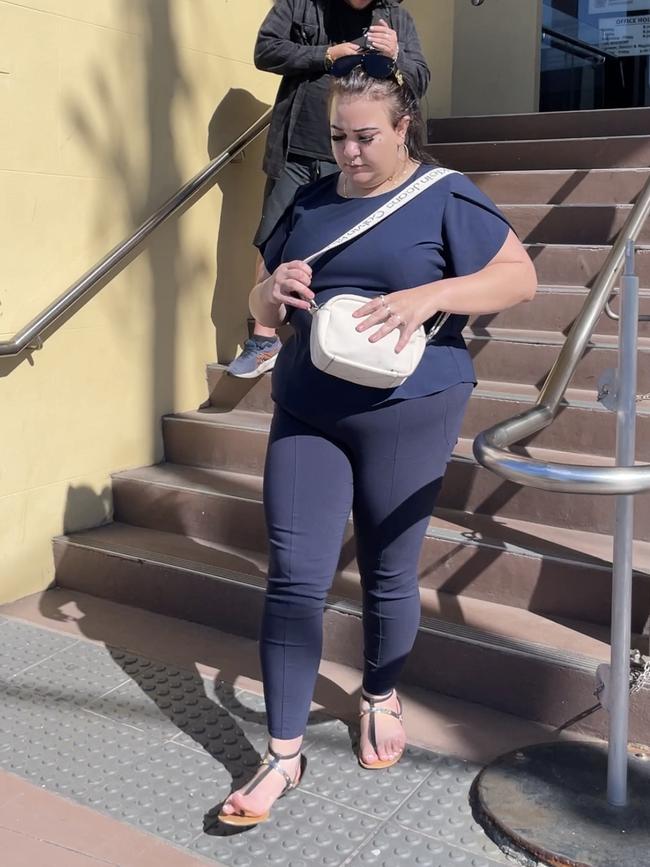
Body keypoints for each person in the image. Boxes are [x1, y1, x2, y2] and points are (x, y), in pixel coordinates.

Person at [218, 61, 537, 826]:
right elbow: (256, 303)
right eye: (338, 137)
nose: (350, 153)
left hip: (412, 404)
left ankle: (379, 693)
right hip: (308, 404)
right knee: (295, 576)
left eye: (365, 137)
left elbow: (518, 278)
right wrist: (273, 294)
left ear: (403, 129)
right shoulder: (308, 199)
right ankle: (283, 754)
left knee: (391, 570)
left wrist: (432, 293)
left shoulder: (445, 195)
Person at [226, 0, 430, 378]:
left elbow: (419, 79)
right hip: (298, 149)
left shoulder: (397, 17)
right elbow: (265, 50)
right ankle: (264, 338)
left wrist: (395, 55)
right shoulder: (300, 4)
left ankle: (342, 337)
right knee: (273, 235)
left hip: (367, 160)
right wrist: (325, 55)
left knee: (361, 243)